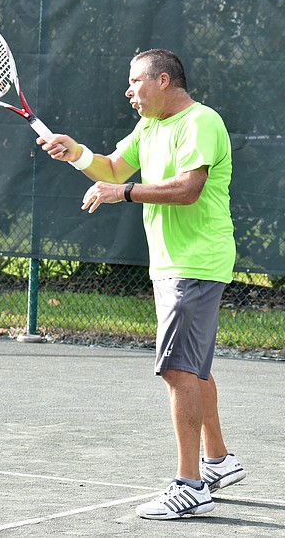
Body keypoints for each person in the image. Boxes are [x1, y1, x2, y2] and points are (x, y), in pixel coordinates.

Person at [40, 48, 246, 520]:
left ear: (165, 81)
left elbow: (187, 188)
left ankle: (189, 485)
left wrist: (125, 193)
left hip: (195, 263)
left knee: (176, 371)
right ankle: (218, 460)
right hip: (173, 264)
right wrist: (77, 154)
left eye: (136, 83)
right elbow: (112, 168)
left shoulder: (201, 123)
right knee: (194, 367)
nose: (129, 92)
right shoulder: (151, 127)